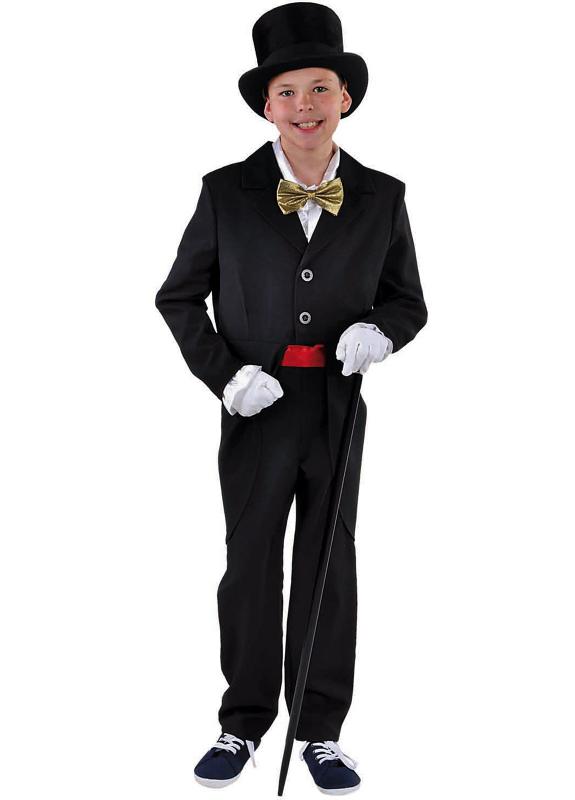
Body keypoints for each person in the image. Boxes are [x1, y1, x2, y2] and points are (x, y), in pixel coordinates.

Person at [155, 2, 427, 793]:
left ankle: (320, 731)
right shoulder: (225, 191)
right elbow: (179, 297)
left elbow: (407, 301)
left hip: (336, 406)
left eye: (320, 89)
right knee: (251, 563)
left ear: (346, 97)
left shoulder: (381, 196)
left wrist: (380, 332)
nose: (305, 106)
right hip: (258, 405)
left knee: (328, 564)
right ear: (266, 107)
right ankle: (241, 723)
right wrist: (227, 376)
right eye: (287, 93)